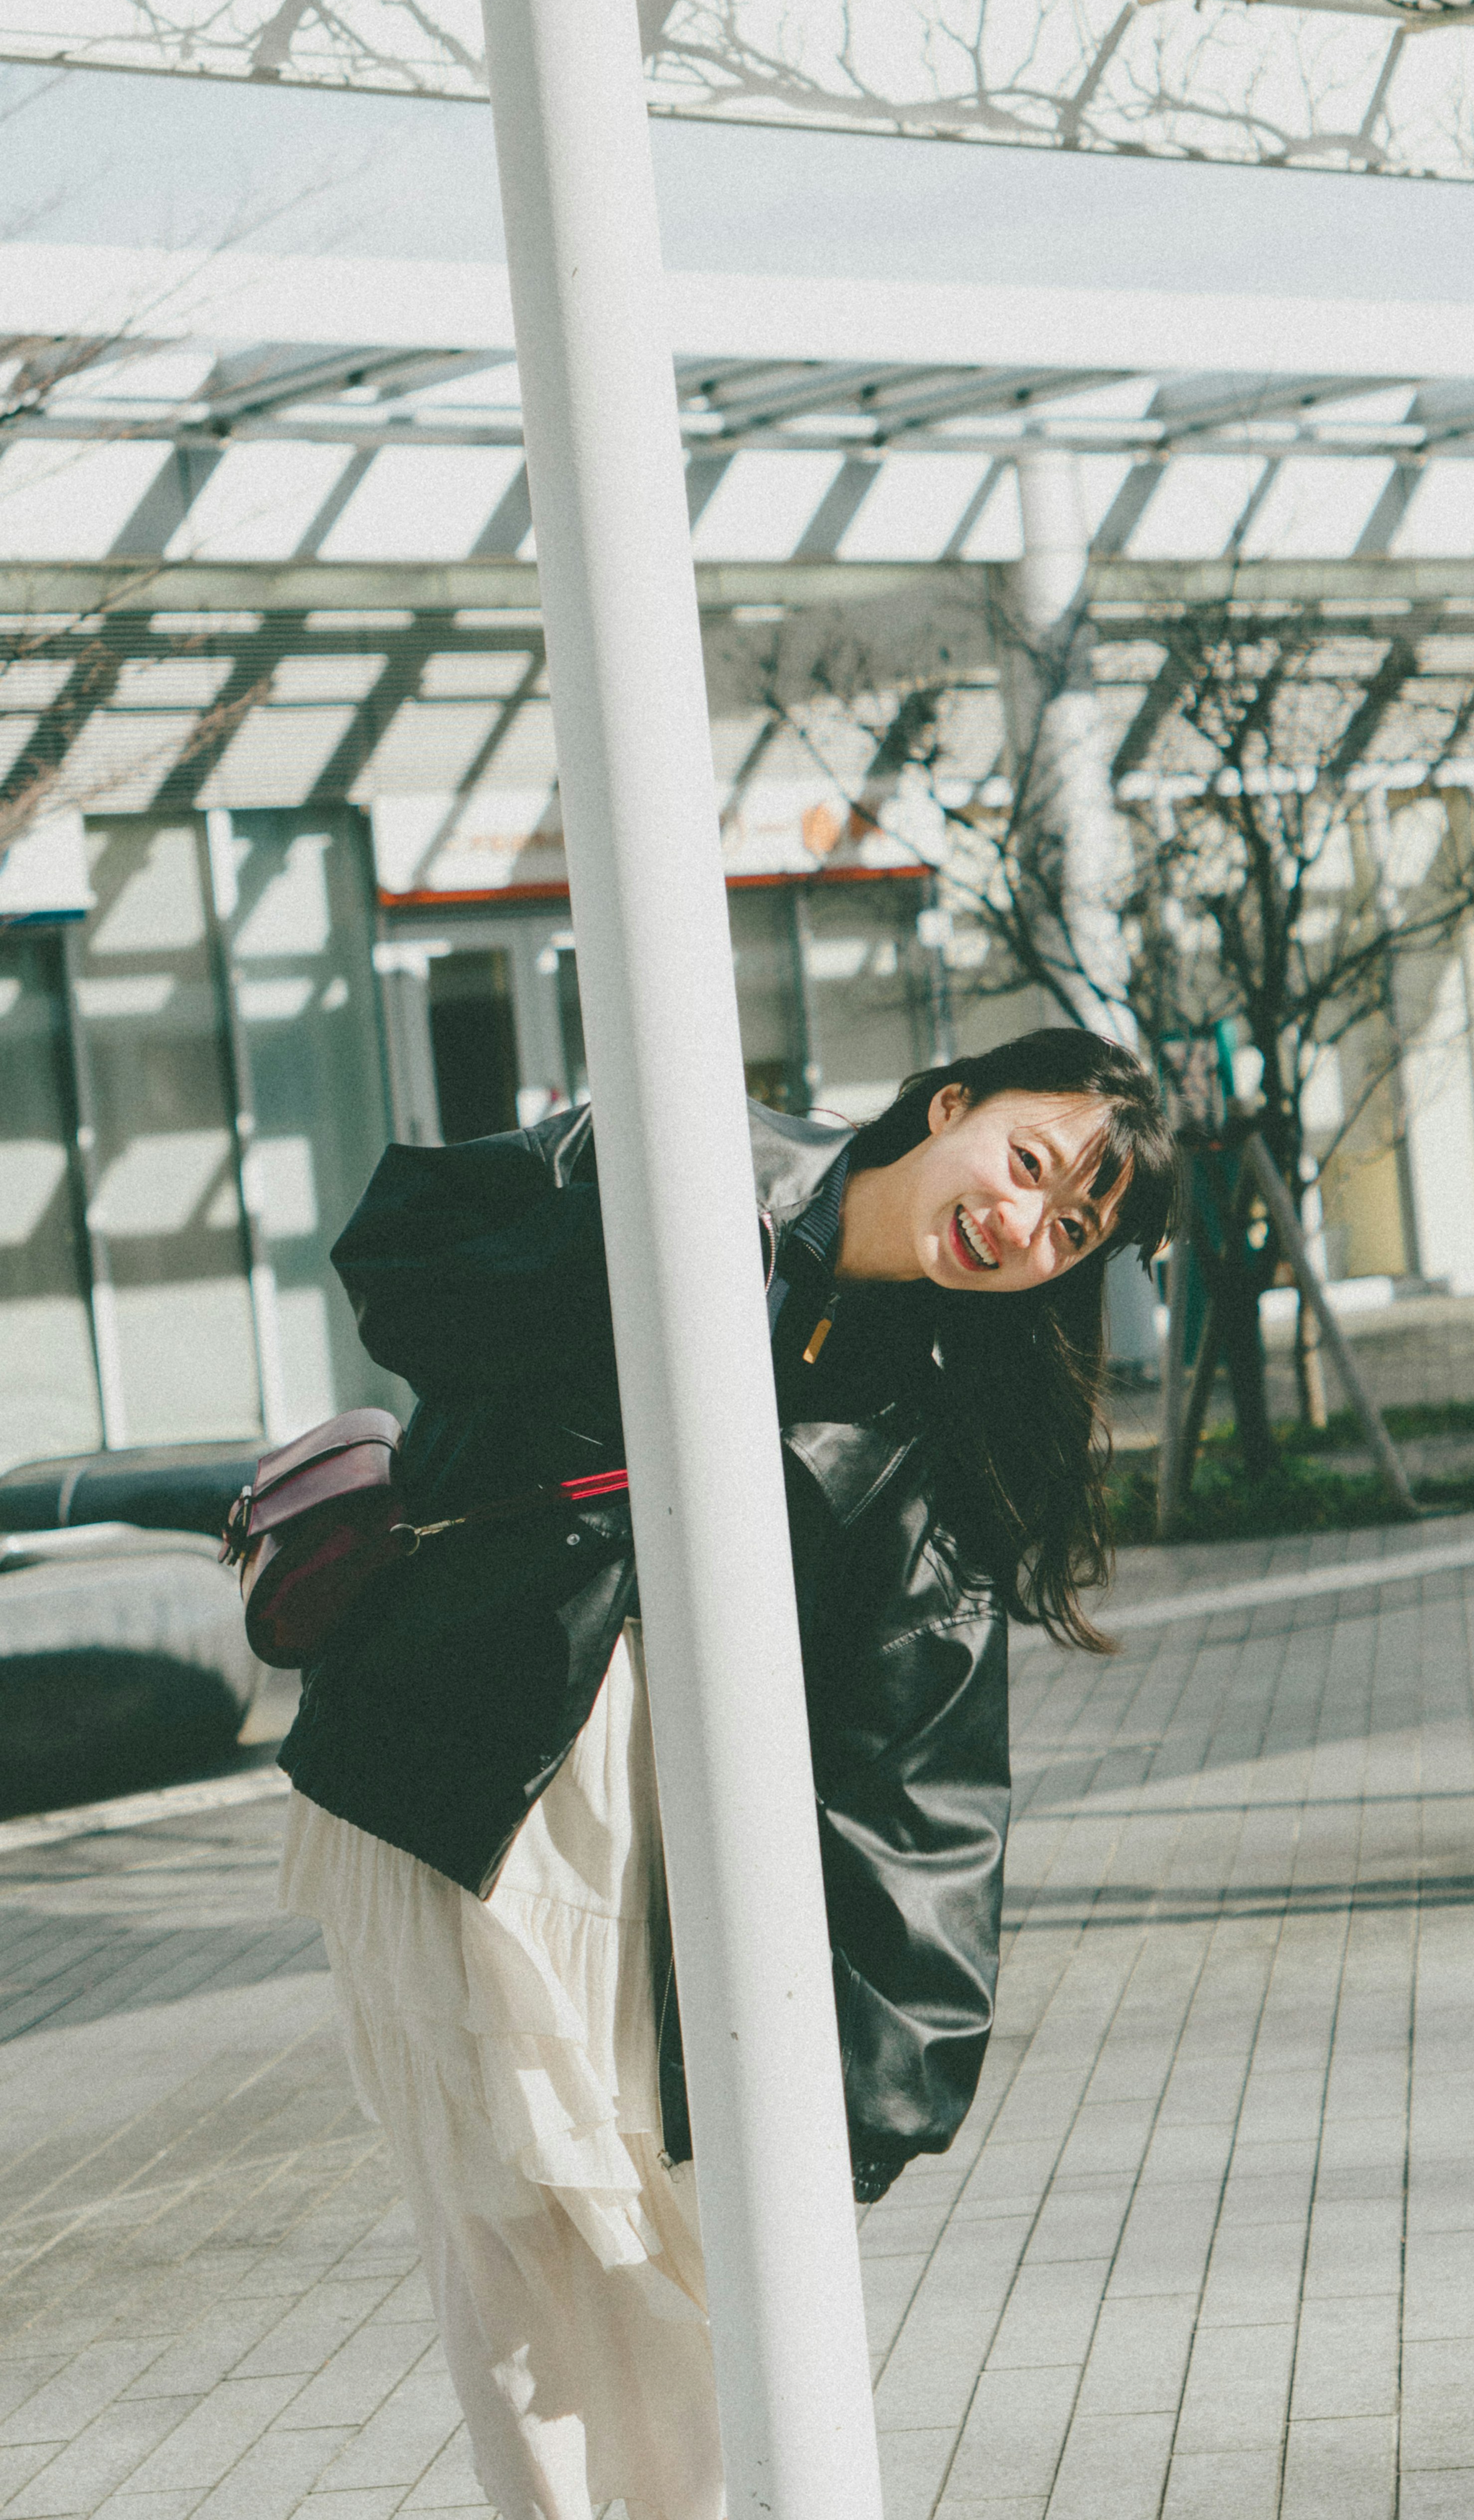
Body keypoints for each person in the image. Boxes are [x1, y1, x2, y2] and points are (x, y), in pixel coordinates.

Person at [277, 1024, 1178, 2520]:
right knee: (510, 2270)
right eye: (1028, 1165)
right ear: (951, 1108)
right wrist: (665, 1263)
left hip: (656, 1871)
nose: (1023, 1229)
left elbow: (923, 1779)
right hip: (455, 1778)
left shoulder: (930, 1423)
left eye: (1069, 1232)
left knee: (668, 2282)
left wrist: (877, 2110)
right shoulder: (682, 1158)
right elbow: (404, 1257)